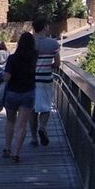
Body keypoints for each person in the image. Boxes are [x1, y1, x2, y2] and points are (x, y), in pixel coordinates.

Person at [1, 32, 37, 162]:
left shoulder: (12, 58)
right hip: (28, 93)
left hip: (12, 93)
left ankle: (7, 147)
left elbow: (7, 77)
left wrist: (3, 76)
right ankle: (16, 153)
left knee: (10, 121)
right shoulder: (34, 57)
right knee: (22, 124)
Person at [29, 17, 61, 147]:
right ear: (45, 27)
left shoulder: (28, 43)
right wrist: (49, 66)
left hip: (30, 80)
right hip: (46, 79)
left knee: (32, 110)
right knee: (46, 107)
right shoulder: (53, 44)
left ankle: (33, 138)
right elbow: (57, 63)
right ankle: (42, 127)